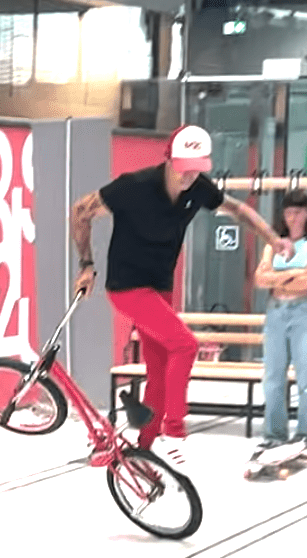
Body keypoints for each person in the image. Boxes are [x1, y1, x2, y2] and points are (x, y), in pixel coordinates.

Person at [70, 125, 294, 471]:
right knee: (186, 345)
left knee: (159, 372)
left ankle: (142, 452)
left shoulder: (199, 188)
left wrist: (272, 238)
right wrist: (86, 264)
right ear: (169, 160)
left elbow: (237, 209)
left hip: (160, 287)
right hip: (127, 287)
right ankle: (174, 431)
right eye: (184, 167)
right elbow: (81, 210)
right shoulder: (134, 186)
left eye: (196, 168)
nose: (189, 175)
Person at [253, 189, 307, 458]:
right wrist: (294, 273)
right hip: (276, 312)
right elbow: (259, 279)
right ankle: (274, 435)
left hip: (304, 313)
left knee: (306, 377)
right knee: (273, 377)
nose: (292, 218)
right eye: (288, 213)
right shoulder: (273, 244)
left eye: (297, 213)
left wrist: (278, 277)